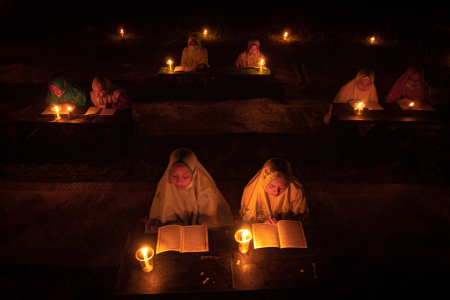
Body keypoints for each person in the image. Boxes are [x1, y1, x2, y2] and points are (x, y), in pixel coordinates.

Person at [145, 148, 234, 232]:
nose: (179, 181)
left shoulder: (206, 188)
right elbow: (165, 212)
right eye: (174, 175)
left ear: (194, 172)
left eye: (185, 176)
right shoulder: (165, 184)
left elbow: (209, 219)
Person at [240, 158, 309, 225]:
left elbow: (300, 221)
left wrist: (282, 223)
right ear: (264, 182)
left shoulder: (296, 190)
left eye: (282, 187)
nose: (276, 191)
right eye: (271, 186)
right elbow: (247, 222)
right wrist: (264, 225)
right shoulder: (251, 190)